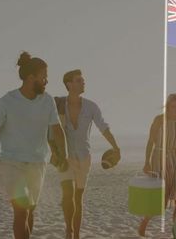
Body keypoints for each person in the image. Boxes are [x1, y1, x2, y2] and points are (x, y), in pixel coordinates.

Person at [0, 52, 68, 239]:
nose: (46, 81)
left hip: (37, 163)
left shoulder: (47, 100)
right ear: (31, 77)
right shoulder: (6, 102)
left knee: (29, 211)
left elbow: (57, 130)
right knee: (22, 211)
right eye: (44, 76)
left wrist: (63, 156)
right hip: (12, 163)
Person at [50, 69, 121, 239]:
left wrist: (115, 147)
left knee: (78, 197)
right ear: (69, 84)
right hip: (64, 156)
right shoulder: (57, 104)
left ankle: (76, 235)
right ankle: (69, 231)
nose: (83, 83)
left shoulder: (91, 106)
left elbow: (103, 127)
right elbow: (49, 130)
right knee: (68, 194)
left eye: (83, 80)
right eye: (79, 80)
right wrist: (54, 152)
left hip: (84, 157)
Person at [138, 94, 176, 236]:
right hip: (159, 158)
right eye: (173, 106)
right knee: (162, 198)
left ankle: (175, 229)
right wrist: (147, 162)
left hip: (174, 159)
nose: (175, 109)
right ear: (167, 106)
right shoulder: (159, 120)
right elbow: (150, 142)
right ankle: (143, 225)